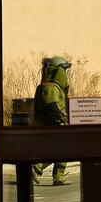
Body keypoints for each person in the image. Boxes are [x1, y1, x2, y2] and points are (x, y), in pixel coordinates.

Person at [31, 56, 72, 186]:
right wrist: (60, 118)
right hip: (52, 123)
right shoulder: (51, 87)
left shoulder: (49, 86)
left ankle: (55, 175)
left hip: (50, 123)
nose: (67, 74)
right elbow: (51, 104)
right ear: (58, 71)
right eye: (65, 70)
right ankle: (37, 168)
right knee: (59, 149)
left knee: (60, 149)